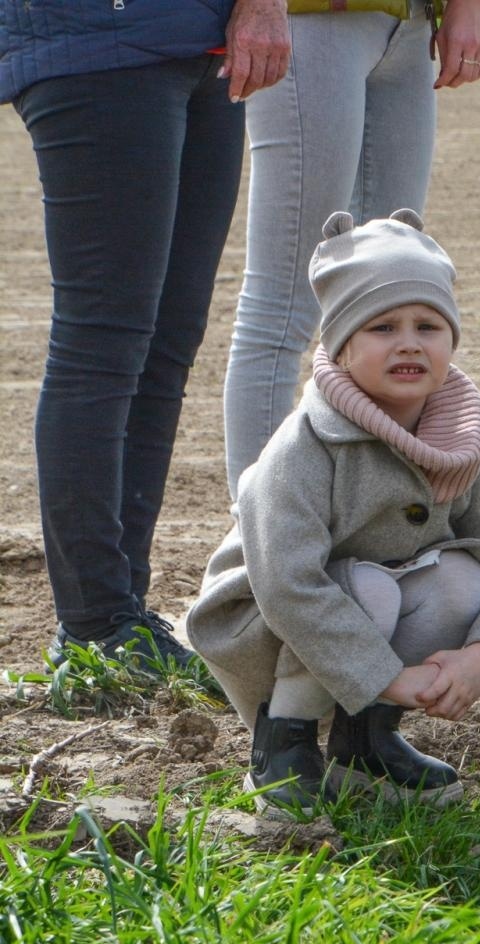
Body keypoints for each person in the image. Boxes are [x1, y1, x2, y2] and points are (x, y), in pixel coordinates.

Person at [187, 211, 480, 817]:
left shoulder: (456, 440)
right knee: (371, 588)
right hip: (262, 626)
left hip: (357, 620)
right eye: (382, 326)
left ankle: (364, 746)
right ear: (341, 347)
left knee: (461, 579)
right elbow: (288, 585)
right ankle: (283, 746)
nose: (409, 342)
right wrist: (385, 676)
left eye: (428, 325)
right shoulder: (302, 448)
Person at [2, 0, 290, 670]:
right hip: (99, 39)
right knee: (103, 341)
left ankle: (123, 613)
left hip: (200, 40)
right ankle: (95, 625)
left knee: (165, 339)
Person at [221, 0, 480, 498]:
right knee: (280, 310)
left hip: (411, 23)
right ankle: (258, 528)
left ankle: (372, 517)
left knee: (393, 294)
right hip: (311, 17)